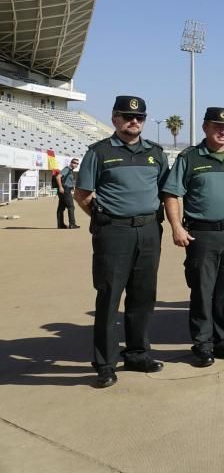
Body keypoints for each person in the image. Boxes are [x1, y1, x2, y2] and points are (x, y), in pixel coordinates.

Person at [74, 95, 168, 388]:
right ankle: (105, 363)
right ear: (115, 118)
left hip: (149, 230)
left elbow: (165, 191)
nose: (134, 121)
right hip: (113, 233)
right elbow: (83, 195)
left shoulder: (155, 153)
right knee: (110, 297)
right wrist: (108, 218)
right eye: (127, 116)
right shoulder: (98, 152)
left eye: (139, 117)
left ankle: (138, 353)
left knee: (143, 296)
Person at [163, 107, 224, 368]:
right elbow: (171, 193)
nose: (223, 131)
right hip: (201, 234)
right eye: (217, 126)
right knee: (202, 291)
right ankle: (202, 344)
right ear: (205, 127)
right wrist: (176, 227)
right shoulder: (189, 157)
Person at [56, 157, 80, 229]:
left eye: (77, 164)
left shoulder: (70, 170)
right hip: (65, 190)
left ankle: (60, 224)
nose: (76, 165)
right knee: (71, 207)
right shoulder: (67, 169)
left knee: (61, 208)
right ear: (71, 163)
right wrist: (60, 187)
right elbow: (58, 177)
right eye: (75, 163)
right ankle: (72, 224)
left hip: (65, 189)